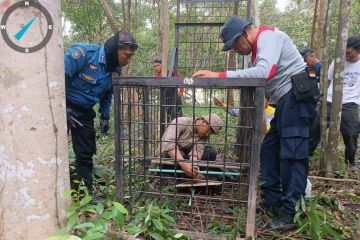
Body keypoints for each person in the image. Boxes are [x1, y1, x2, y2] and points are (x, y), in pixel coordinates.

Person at [192, 16, 317, 229]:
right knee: (269, 150)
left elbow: (263, 73)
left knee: (292, 155)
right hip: (284, 102)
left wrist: (219, 75)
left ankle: (291, 212)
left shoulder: (269, 37)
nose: (235, 50)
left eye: (234, 44)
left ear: (245, 33)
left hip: (296, 99)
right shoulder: (259, 49)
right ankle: (272, 201)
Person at [65, 31, 138, 195]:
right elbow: (56, 79)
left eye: (131, 56)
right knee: (53, 147)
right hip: (61, 106)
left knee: (85, 153)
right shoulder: (83, 55)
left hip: (84, 112)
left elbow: (107, 94)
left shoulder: (115, 70)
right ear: (114, 49)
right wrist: (62, 108)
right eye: (126, 55)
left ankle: (84, 194)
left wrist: (105, 116)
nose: (128, 60)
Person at [307, 36, 360, 170]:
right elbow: (328, 81)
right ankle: (305, 157)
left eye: (349, 53)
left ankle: (350, 162)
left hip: (350, 103)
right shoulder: (337, 61)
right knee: (315, 128)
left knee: (351, 134)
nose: (346, 55)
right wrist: (322, 98)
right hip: (330, 101)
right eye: (344, 52)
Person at [157, 114, 222, 180]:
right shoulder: (180, 122)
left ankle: (189, 175)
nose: (208, 134)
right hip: (169, 156)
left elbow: (196, 152)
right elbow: (170, 144)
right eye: (209, 131)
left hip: (185, 157)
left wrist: (194, 167)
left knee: (210, 153)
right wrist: (183, 164)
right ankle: (175, 176)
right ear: (203, 122)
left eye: (211, 133)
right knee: (178, 155)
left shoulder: (204, 135)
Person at [300, 48, 322, 156]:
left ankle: (318, 145)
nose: (305, 61)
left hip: (320, 101)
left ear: (312, 56)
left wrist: (320, 99)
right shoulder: (311, 69)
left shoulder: (321, 67)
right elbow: (312, 84)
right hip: (312, 101)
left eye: (306, 58)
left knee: (317, 123)